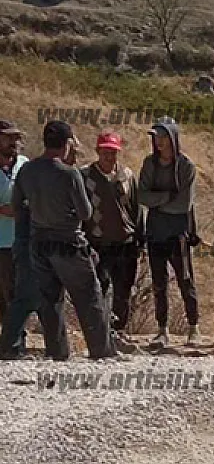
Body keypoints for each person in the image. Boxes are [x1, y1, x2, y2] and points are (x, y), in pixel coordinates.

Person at [11, 120, 117, 360]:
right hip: (68, 241)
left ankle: (57, 352)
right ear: (67, 143)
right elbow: (86, 212)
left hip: (39, 241)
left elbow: (18, 205)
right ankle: (102, 351)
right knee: (88, 295)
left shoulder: (27, 169)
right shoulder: (69, 174)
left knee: (50, 299)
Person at [138, 117, 200, 348]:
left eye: (163, 137)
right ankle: (162, 329)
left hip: (179, 232)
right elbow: (142, 196)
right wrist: (166, 198)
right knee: (158, 282)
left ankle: (194, 327)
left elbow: (184, 204)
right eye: (156, 138)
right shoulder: (149, 164)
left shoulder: (186, 166)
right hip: (155, 231)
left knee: (185, 280)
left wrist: (157, 201)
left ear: (173, 138)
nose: (159, 142)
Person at [82, 131, 143, 352]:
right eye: (105, 151)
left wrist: (139, 240)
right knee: (100, 288)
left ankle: (119, 332)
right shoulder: (85, 176)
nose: (109, 156)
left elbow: (136, 209)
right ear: (98, 151)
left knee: (123, 290)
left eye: (113, 152)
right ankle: (101, 333)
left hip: (126, 242)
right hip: (98, 243)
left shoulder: (127, 175)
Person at [0, 120, 29, 319]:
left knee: (18, 293)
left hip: (21, 239)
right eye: (8, 137)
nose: (13, 141)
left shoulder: (24, 164)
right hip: (1, 241)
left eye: (15, 137)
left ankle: (15, 341)